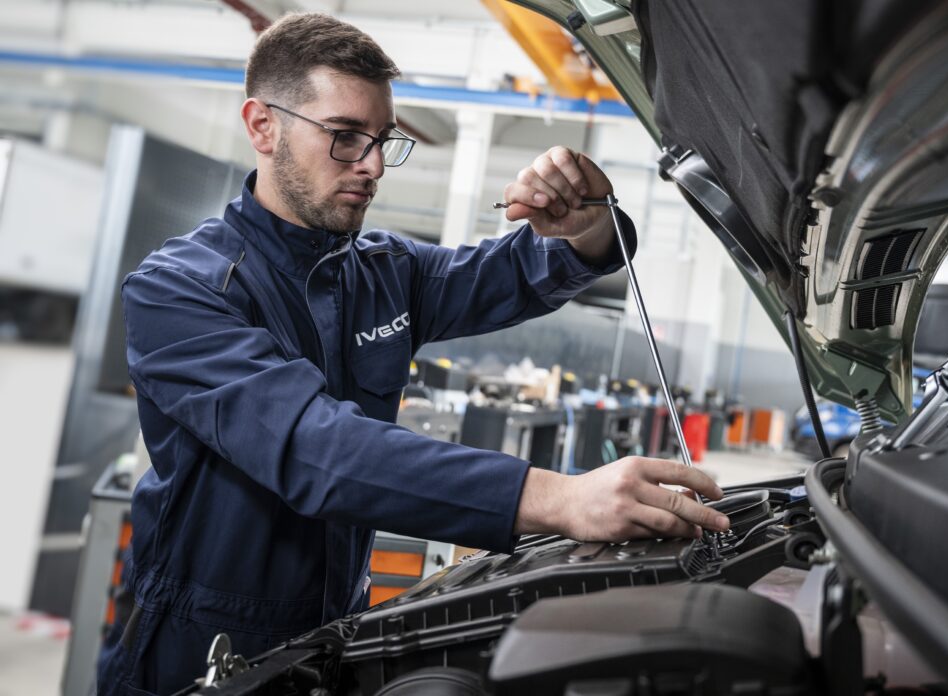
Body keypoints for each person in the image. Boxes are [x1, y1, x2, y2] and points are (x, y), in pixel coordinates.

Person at [96, 12, 729, 696]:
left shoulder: (384, 270)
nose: (371, 166)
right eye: (344, 138)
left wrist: (588, 228)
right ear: (262, 126)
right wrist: (558, 497)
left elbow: (516, 271)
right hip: (197, 651)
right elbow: (315, 449)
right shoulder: (178, 290)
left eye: (381, 141)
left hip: (335, 630)